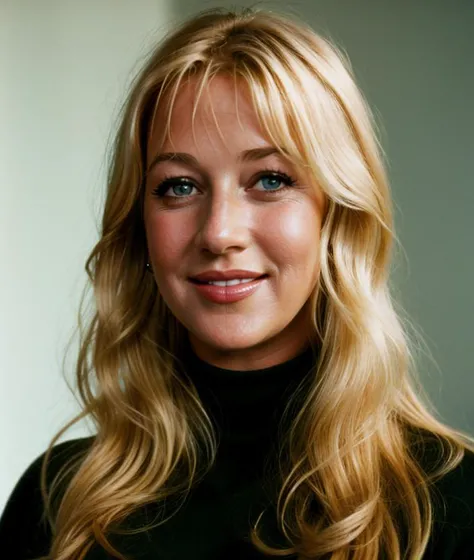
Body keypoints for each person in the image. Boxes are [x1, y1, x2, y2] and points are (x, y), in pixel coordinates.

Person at [1, 6, 473, 560]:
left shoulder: (448, 505)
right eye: (178, 187)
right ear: (139, 226)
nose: (220, 232)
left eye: (270, 179)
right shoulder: (57, 504)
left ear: (336, 215)